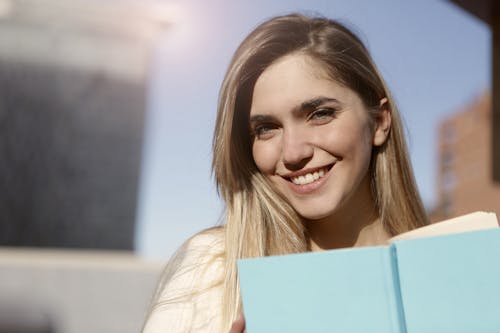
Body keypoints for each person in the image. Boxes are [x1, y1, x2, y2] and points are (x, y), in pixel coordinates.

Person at [142, 13, 429, 333]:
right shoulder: (212, 275)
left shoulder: (447, 271)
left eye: (320, 114)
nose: (293, 153)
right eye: (266, 128)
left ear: (379, 122)